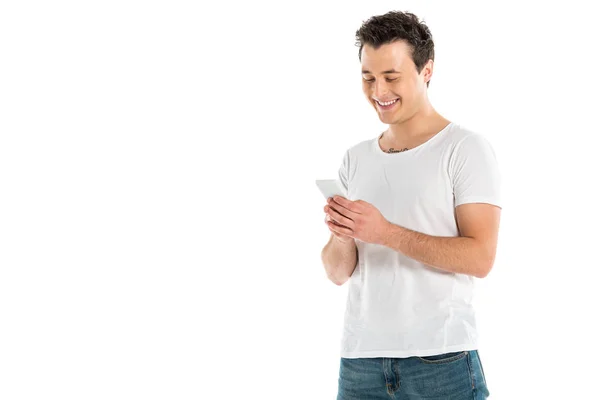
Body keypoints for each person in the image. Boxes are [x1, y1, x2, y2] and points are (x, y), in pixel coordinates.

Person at [321, 10, 501, 399]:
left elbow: (481, 257)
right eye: (368, 78)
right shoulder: (355, 159)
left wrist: (384, 232)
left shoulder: (465, 149)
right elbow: (338, 273)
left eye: (391, 77)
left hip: (441, 362)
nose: (378, 91)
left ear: (427, 71)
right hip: (360, 362)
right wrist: (342, 235)